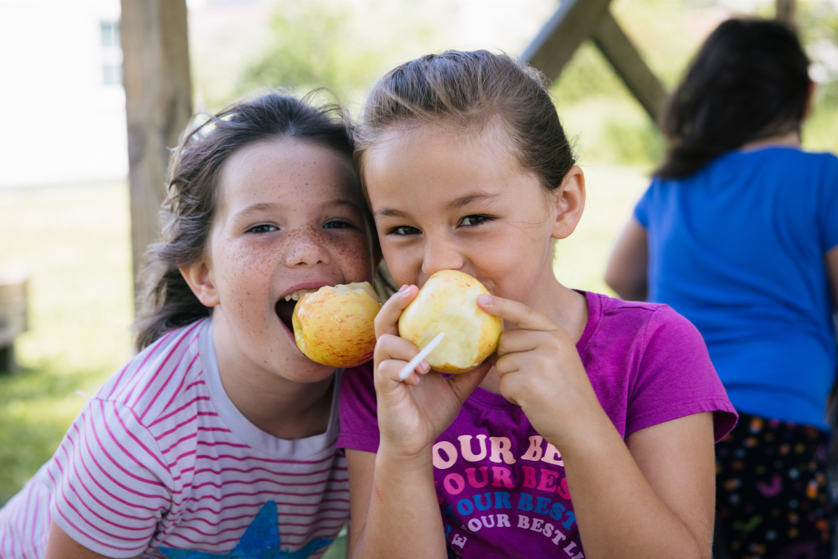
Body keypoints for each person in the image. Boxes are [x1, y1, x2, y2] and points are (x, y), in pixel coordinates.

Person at [336, 49, 738, 559]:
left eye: (474, 218)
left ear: (563, 204)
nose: (437, 263)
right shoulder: (387, 372)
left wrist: (581, 426)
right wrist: (405, 452)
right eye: (403, 230)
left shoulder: (653, 348)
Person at [0, 91, 377, 558]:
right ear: (204, 277)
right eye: (262, 227)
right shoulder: (140, 432)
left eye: (338, 222)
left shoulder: (383, 392)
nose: (308, 250)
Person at [604, 18, 838, 558]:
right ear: (806, 97)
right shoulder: (821, 178)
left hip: (676, 418)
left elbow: (620, 274)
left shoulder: (674, 183)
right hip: (781, 420)